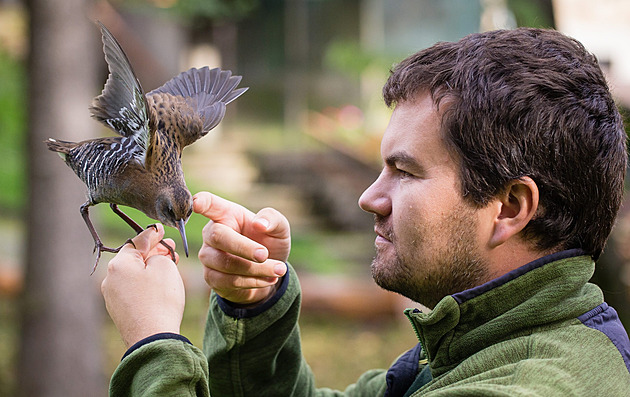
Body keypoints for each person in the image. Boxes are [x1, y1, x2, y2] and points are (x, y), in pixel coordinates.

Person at [101, 28, 630, 396]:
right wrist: (254, 304)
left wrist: (154, 341)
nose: (369, 198)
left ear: (510, 207)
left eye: (405, 172)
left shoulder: (528, 387)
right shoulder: (476, 345)